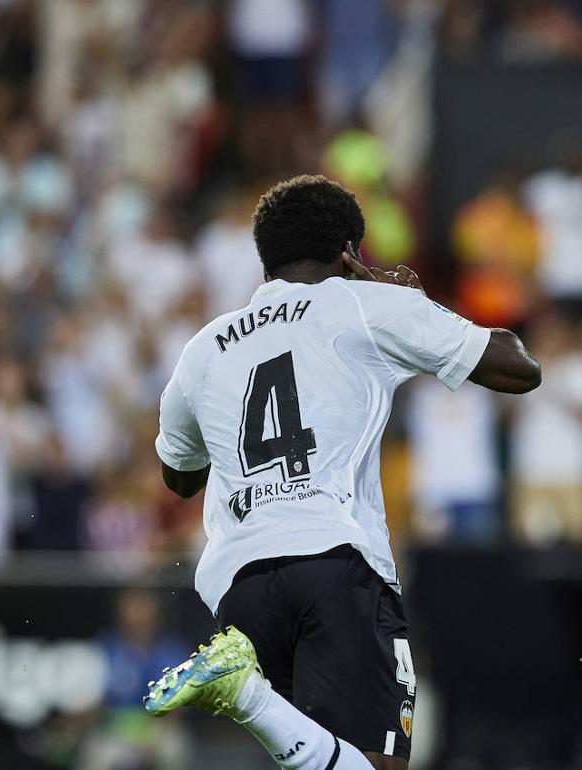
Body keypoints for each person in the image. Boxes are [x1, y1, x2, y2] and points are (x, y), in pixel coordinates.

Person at [144, 175, 541, 770]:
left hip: (239, 593)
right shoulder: (366, 303)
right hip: (334, 561)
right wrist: (412, 302)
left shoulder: (204, 348)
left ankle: (247, 692)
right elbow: (518, 366)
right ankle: (247, 697)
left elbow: (178, 474)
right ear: (351, 253)